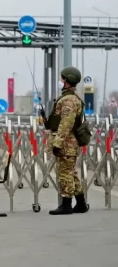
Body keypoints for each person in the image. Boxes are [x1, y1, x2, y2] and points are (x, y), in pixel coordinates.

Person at [45, 66, 88, 215]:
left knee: (64, 173)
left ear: (67, 81)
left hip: (66, 142)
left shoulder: (69, 100)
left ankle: (66, 204)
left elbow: (66, 124)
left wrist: (58, 143)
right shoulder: (70, 97)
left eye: (62, 78)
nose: (60, 81)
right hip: (69, 142)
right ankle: (81, 204)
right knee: (70, 173)